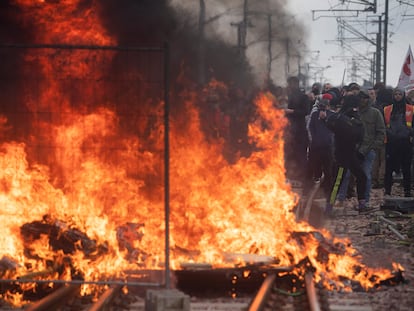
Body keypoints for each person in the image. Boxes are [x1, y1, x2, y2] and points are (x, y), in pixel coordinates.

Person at [324, 95, 368, 215]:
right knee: (338, 181)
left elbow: (359, 135)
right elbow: (330, 125)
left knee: (361, 176)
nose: (356, 108)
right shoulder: (340, 118)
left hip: (351, 154)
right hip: (342, 155)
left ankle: (362, 202)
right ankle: (329, 207)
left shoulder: (352, 118)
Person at [384, 88, 414, 197]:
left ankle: (407, 190)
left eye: (400, 94)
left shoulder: (411, 109)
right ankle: (387, 190)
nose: (397, 96)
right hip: (391, 142)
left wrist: (410, 133)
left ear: (403, 95)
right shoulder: (387, 109)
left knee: (406, 168)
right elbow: (384, 124)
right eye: (395, 94)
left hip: (406, 142)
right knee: (389, 169)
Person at [306, 95, 335, 208]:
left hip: (328, 148)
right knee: (315, 171)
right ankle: (314, 193)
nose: (322, 110)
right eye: (321, 107)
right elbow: (310, 128)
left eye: (324, 107)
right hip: (315, 147)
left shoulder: (332, 115)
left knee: (328, 173)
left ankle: (328, 197)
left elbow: (334, 129)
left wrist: (325, 118)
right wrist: (313, 140)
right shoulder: (314, 115)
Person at [284, 76, 310, 183]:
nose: (289, 86)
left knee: (300, 155)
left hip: (299, 130)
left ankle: (302, 178)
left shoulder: (303, 97)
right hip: (290, 131)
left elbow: (305, 111)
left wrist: (292, 111)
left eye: (290, 84)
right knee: (290, 154)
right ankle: (291, 176)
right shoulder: (288, 96)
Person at [369, 87, 386, 189]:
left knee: (382, 159)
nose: (370, 96)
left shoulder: (381, 108)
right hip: (372, 137)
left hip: (380, 136)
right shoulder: (368, 108)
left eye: (372, 93)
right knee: (375, 160)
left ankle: (380, 180)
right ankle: (375, 180)